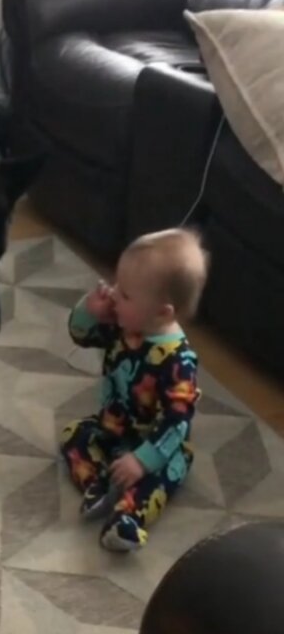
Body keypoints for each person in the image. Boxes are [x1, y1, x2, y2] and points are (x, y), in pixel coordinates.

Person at [59, 227, 207, 552]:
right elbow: (81, 335)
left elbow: (177, 421)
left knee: (166, 474)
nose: (113, 295)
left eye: (125, 294)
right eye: (116, 285)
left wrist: (142, 460)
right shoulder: (123, 325)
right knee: (74, 434)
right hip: (113, 430)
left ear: (162, 312)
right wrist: (90, 310)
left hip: (156, 446)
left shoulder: (179, 361)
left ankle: (129, 517)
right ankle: (98, 483)